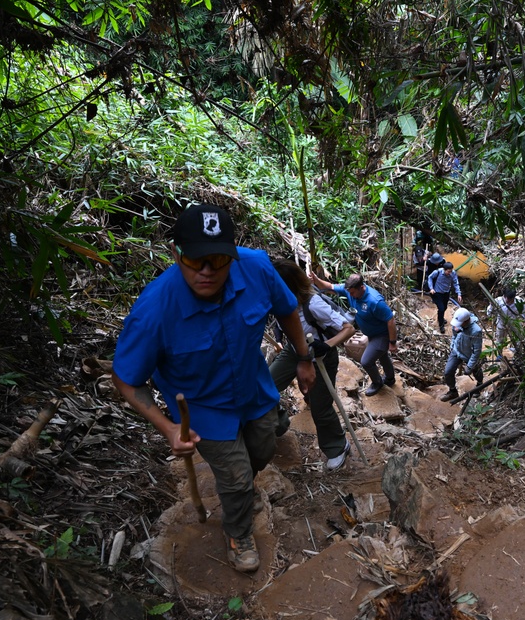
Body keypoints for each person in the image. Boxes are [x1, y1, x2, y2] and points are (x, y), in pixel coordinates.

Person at [112, 204, 315, 574]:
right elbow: (126, 380)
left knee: (264, 446)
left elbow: (287, 308)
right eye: (195, 259)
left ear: (233, 253)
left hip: (253, 387)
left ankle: (240, 492)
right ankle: (238, 533)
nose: (206, 271)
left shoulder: (255, 268)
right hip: (202, 407)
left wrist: (303, 357)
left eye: (218, 259)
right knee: (236, 477)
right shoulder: (154, 310)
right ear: (176, 253)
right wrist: (169, 427)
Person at [269, 259, 355, 471]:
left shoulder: (313, 304)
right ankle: (278, 422)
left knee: (320, 407)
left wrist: (327, 345)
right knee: (266, 386)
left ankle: (337, 446)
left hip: (320, 355)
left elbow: (348, 328)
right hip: (293, 350)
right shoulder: (277, 302)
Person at [310, 271, 398, 396]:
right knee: (382, 355)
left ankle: (377, 382)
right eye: (349, 292)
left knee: (366, 361)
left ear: (361, 287)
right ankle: (390, 378)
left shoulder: (374, 301)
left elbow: (390, 320)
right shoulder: (350, 290)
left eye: (352, 293)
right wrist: (316, 279)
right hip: (371, 334)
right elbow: (328, 287)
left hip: (382, 335)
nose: (350, 295)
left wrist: (392, 343)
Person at [442, 307, 483, 401]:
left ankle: (480, 384)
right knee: (448, 372)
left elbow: (476, 351)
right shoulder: (457, 324)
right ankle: (453, 391)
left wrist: (470, 366)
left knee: (476, 370)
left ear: (467, 321)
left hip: (469, 354)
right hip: (457, 351)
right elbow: (454, 336)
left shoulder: (476, 331)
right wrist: (452, 346)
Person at [487, 288, 525, 352]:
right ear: (504, 296)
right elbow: (489, 312)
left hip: (514, 322)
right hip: (501, 323)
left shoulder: (519, 301)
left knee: (519, 338)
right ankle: (499, 354)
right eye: (506, 297)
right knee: (499, 339)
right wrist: (491, 307)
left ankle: (517, 351)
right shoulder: (497, 301)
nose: (507, 300)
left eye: (510, 299)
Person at [427, 261, 463, 333]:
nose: (450, 273)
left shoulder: (453, 273)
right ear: (444, 269)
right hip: (437, 293)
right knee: (441, 308)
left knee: (445, 307)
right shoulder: (437, 272)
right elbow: (430, 277)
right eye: (448, 271)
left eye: (451, 271)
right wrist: (431, 288)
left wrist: (459, 294)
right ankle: (441, 325)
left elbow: (456, 283)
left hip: (446, 293)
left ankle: (441, 318)